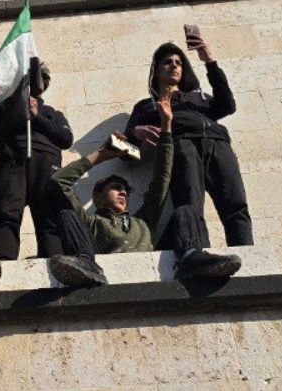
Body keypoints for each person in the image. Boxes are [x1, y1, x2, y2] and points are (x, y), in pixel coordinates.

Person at [47, 90, 241, 287]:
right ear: (97, 197)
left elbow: (162, 178)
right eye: (115, 188)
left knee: (185, 210)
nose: (123, 192)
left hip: (153, 261)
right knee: (67, 215)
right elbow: (59, 181)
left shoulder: (143, 221)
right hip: (97, 263)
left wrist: (166, 129)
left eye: (125, 190)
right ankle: (85, 264)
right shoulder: (91, 223)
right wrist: (101, 155)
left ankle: (191, 257)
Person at [125, 30, 252, 247]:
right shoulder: (147, 106)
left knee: (236, 203)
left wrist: (209, 61)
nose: (174, 65)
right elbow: (124, 152)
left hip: (218, 144)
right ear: (156, 71)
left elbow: (228, 106)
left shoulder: (199, 98)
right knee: (190, 204)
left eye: (178, 62)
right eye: (167, 62)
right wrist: (137, 133)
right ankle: (196, 252)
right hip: (181, 146)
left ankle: (246, 253)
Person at [0, 61, 73, 260]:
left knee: (49, 217)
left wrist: (37, 116)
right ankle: (4, 262)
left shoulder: (52, 113)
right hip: (10, 160)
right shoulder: (3, 109)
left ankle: (55, 261)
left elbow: (66, 139)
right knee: (7, 213)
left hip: (45, 162)